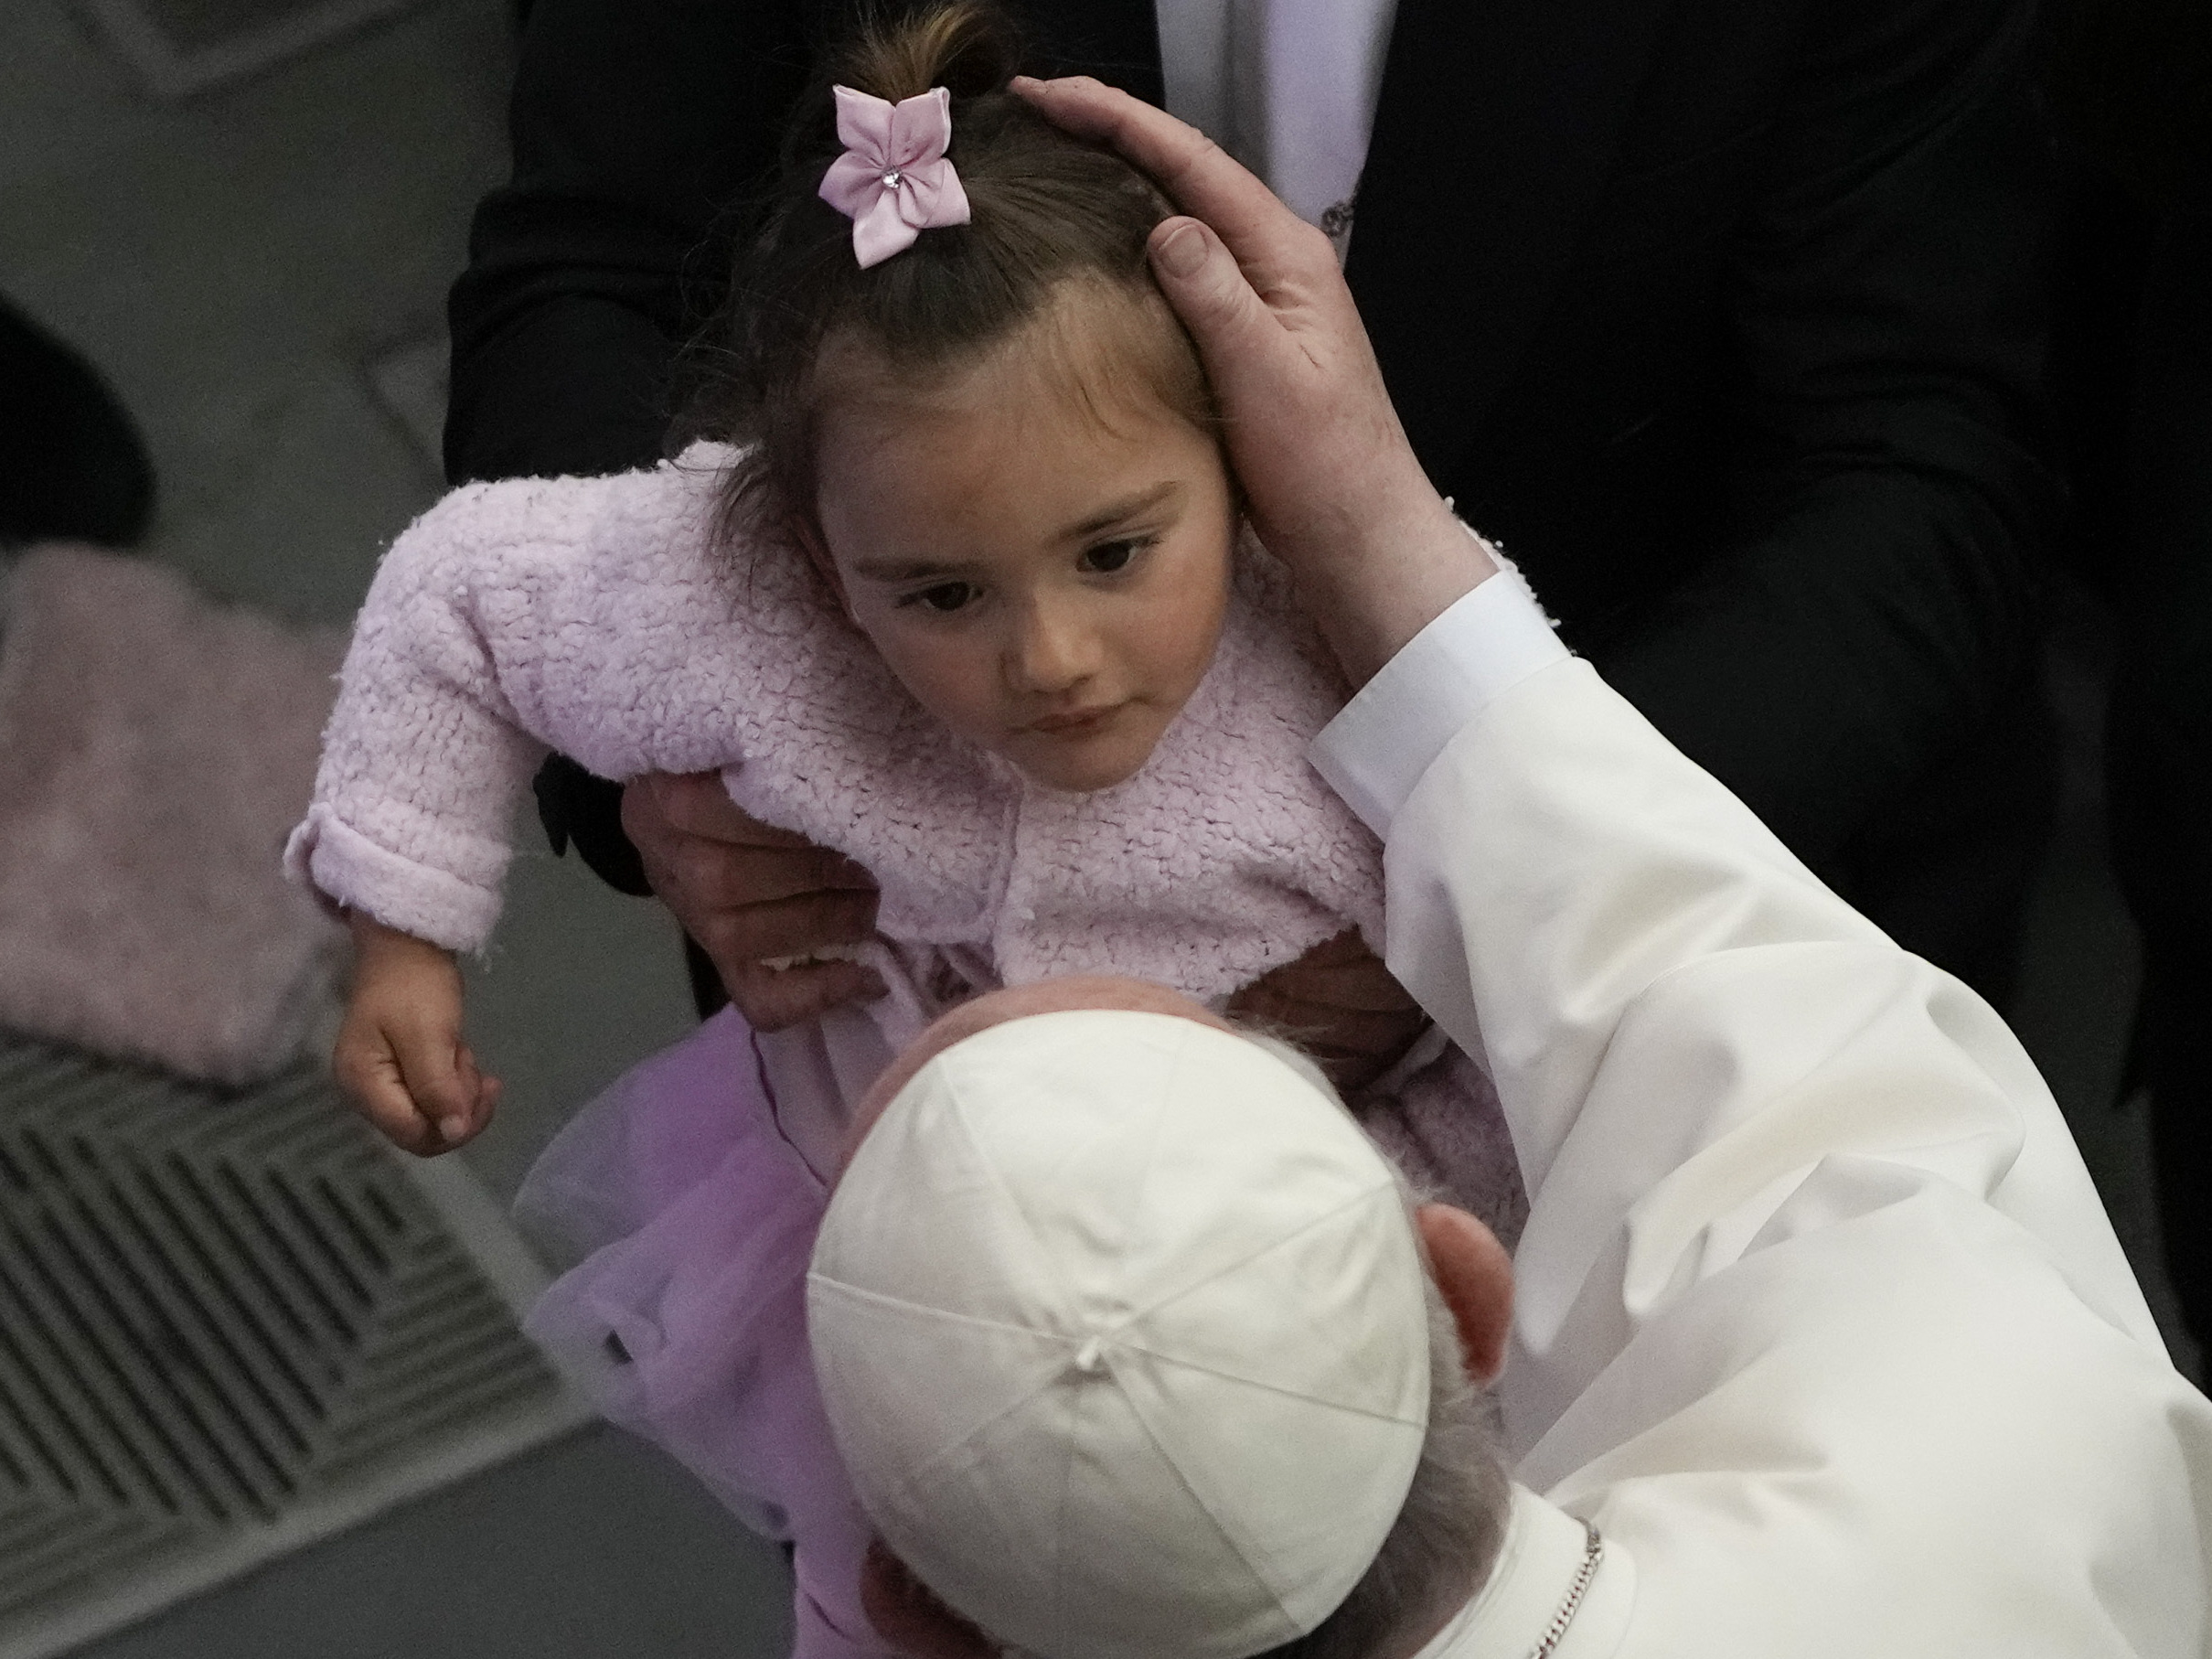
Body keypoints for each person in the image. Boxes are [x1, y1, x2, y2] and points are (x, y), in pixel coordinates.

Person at [798, 75, 2212, 1657]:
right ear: (1461, 1294)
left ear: (914, 1623)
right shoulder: (1996, 1447)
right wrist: (1373, 525)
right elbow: (1776, 1051)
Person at [288, 13, 1518, 1654]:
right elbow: (465, 595)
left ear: (1240, 457)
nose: (1051, 659)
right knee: (897, 1561)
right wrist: (404, 929)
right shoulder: (741, 600)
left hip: (1314, 1283)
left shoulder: (1361, 629)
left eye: (1115, 552)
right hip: (906, 1259)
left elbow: (1542, 878)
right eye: (939, 592)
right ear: (806, 546)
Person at [447, 0, 2061, 1028]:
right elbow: (596, 271)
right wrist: (661, 762)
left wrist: (1491, 875)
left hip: (1656, 981)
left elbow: (1914, 467)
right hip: (919, 978)